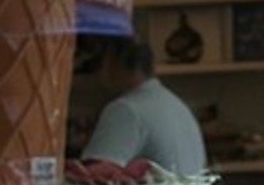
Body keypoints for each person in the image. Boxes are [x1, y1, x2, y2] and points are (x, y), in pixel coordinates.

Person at [82, 36, 207, 175]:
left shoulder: (125, 109)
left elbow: (93, 178)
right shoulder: (177, 105)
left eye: (100, 63)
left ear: (115, 62)